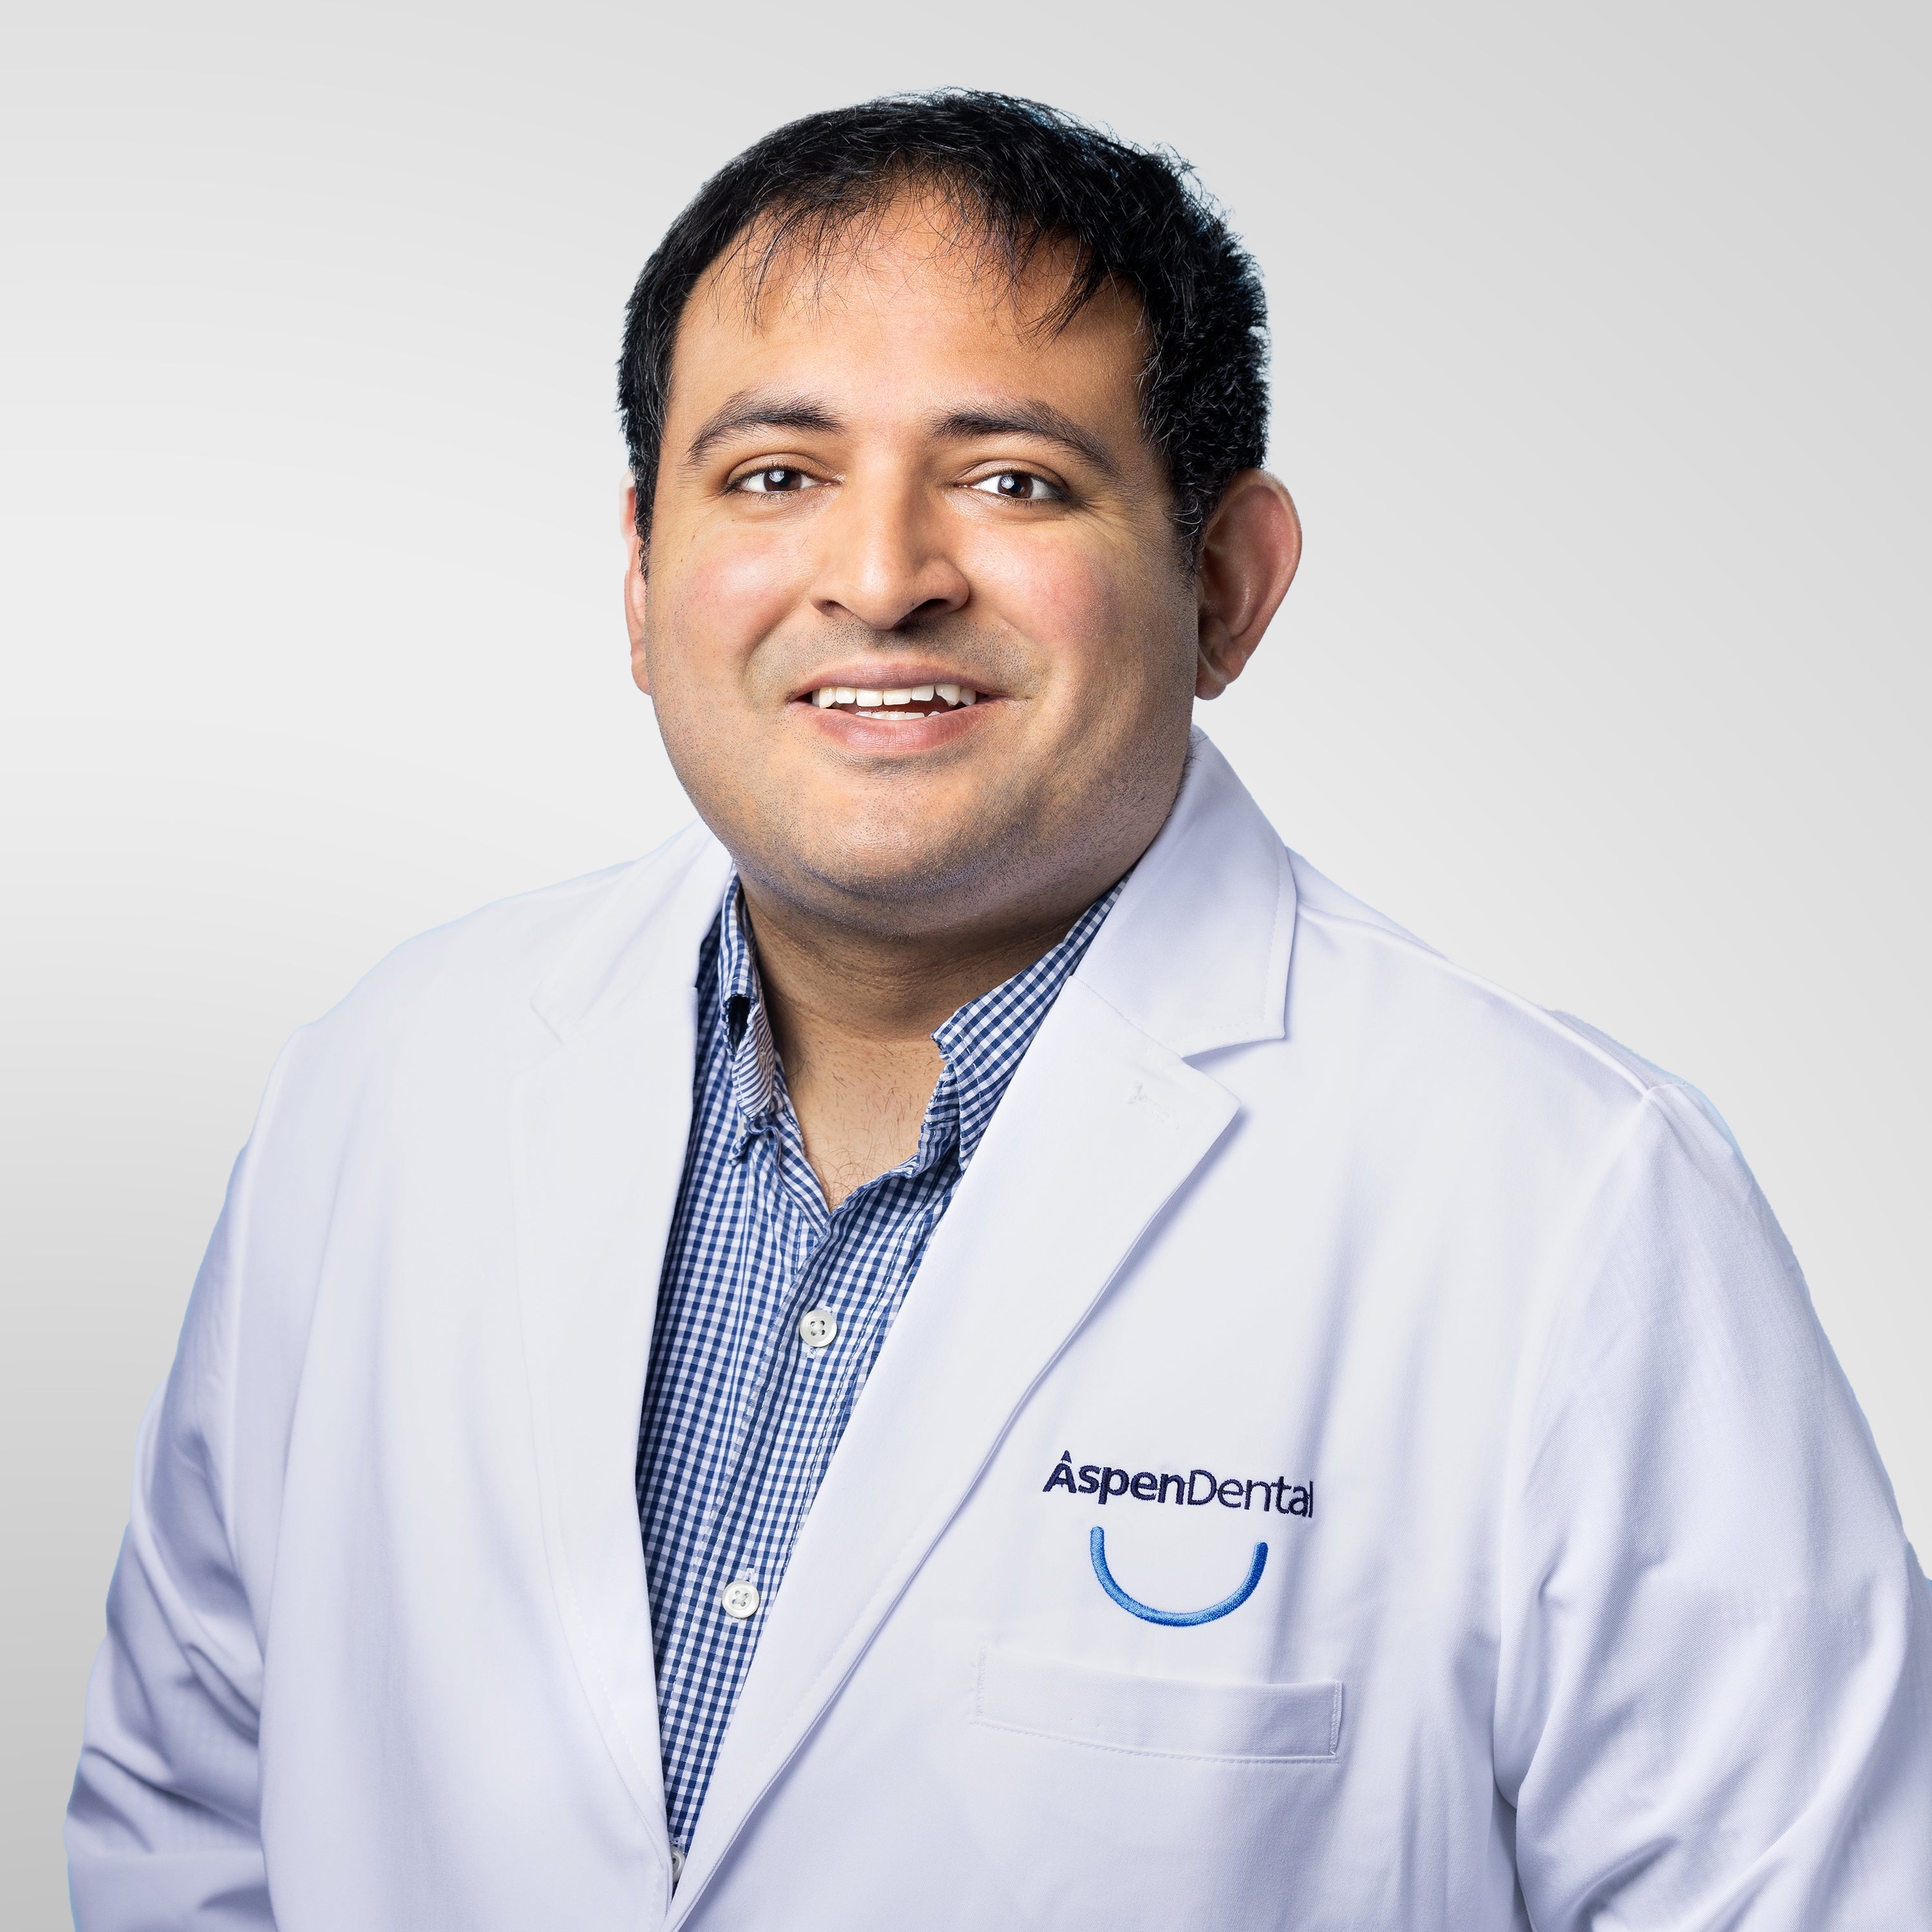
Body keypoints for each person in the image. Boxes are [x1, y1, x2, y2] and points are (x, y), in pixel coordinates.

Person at [66, 91, 1931, 1931]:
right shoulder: (391, 1081)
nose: (882, 580)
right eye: (774, 477)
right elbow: (190, 1817)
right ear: (639, 574)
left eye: (1015, 479)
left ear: (1227, 585)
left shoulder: (1569, 1205)